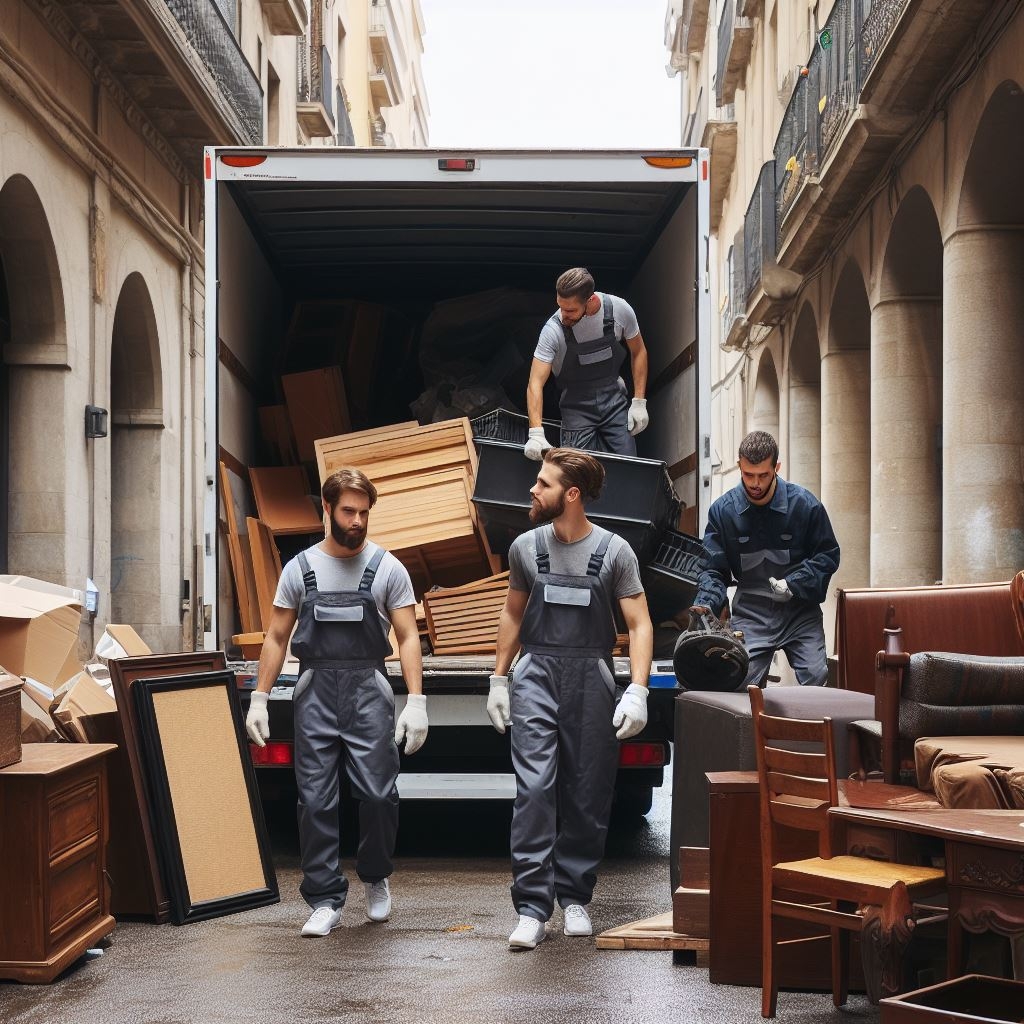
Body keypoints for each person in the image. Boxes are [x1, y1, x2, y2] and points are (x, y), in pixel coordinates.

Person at [245, 467, 427, 937]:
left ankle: (376, 875)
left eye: (364, 512)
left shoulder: (387, 568)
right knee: (315, 800)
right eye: (348, 511)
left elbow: (408, 636)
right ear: (327, 508)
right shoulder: (298, 569)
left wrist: (416, 701)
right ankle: (324, 898)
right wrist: (260, 697)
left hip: (368, 689)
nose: (357, 521)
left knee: (379, 795)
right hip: (315, 691)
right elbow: (276, 637)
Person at [486, 448, 654, 949]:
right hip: (536, 673)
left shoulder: (615, 552)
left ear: (572, 494)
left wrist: (638, 690)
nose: (533, 489)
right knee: (535, 790)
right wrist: (498, 679)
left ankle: (575, 895)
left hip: (591, 678)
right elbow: (513, 613)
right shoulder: (525, 548)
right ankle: (532, 909)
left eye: (544, 483)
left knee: (587, 791)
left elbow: (640, 624)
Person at [693, 431, 840, 688]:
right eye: (748, 475)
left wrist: (794, 584)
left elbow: (827, 554)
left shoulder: (805, 505)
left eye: (763, 475)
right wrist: (706, 604)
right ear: (739, 466)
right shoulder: (722, 511)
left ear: (776, 468)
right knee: (739, 683)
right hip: (751, 613)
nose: (755, 483)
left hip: (800, 612)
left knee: (817, 677)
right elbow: (712, 569)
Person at [524, 267, 649, 459]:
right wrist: (536, 433)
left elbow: (639, 352)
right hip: (576, 409)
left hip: (614, 402)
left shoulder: (619, 311)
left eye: (570, 310)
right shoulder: (552, 330)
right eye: (560, 307)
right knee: (577, 469)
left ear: (591, 301)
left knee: (628, 466)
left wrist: (639, 402)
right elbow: (535, 381)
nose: (563, 315)